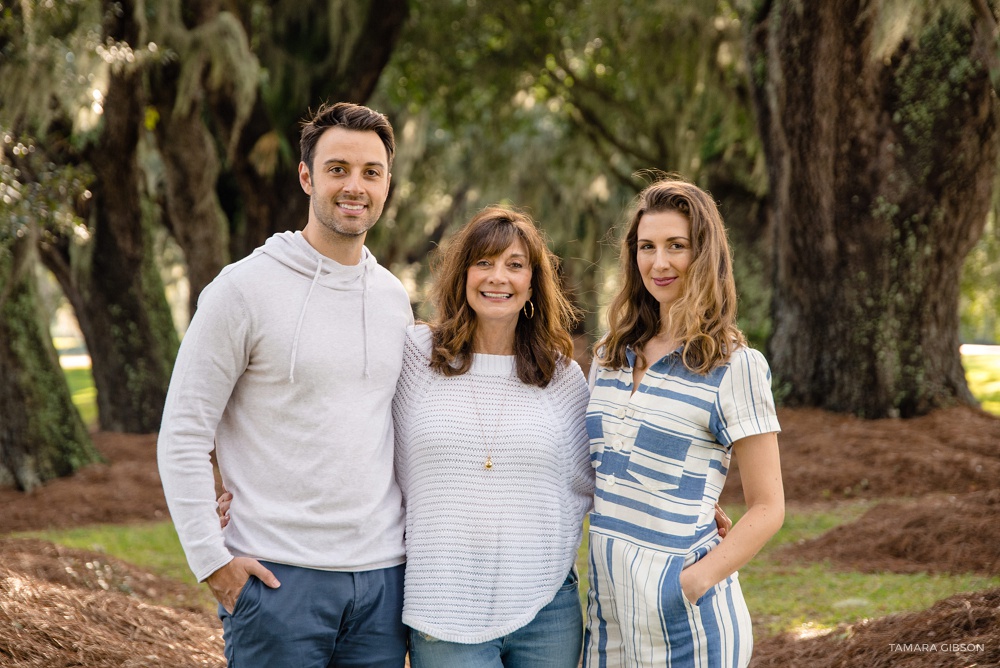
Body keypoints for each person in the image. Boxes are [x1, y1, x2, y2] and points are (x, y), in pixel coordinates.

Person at [157, 101, 413, 668]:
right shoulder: (242, 289)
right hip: (278, 582)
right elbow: (182, 432)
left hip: (381, 584)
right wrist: (212, 563)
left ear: (387, 182)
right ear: (306, 176)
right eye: (337, 169)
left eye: (371, 172)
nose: (355, 186)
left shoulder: (393, 298)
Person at [583, 176, 785, 667]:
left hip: (686, 621)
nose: (660, 262)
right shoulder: (608, 355)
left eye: (677, 246)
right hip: (607, 614)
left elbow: (768, 505)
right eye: (647, 247)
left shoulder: (734, 365)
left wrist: (690, 584)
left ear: (705, 254)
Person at [392, 206, 593, 667]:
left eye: (515, 265)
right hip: (444, 608)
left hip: (546, 608)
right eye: (484, 262)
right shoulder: (418, 357)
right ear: (463, 274)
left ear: (532, 284)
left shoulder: (560, 377)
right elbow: (361, 439)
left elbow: (599, 478)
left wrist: (699, 509)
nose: (497, 277)